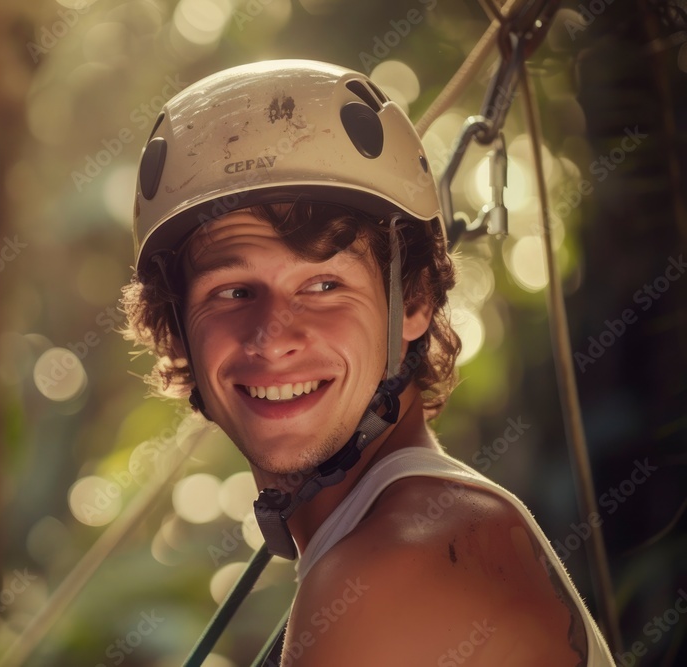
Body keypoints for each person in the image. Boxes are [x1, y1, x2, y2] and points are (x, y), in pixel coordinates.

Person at [121, 60, 616, 666]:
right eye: (232, 292)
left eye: (324, 285)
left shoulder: (398, 566)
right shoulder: (414, 530)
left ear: (412, 301)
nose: (273, 339)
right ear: (177, 334)